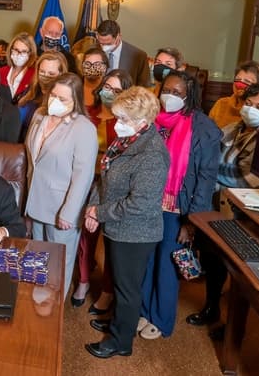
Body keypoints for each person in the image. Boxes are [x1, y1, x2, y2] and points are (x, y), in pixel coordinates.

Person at [186, 83, 259, 340]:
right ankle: (211, 307)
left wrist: (213, 174)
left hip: (245, 214)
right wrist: (215, 173)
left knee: (239, 273)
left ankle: (233, 326)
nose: (251, 110)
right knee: (212, 260)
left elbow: (247, 179)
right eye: (249, 104)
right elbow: (208, 160)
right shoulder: (231, 129)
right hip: (215, 206)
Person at [82, 86, 169, 359]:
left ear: (142, 122)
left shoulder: (152, 154)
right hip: (117, 226)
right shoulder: (127, 139)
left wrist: (99, 213)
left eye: (123, 119)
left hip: (136, 232)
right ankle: (120, 323)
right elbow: (105, 178)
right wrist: (93, 209)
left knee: (127, 289)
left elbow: (140, 204)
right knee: (120, 283)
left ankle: (120, 342)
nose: (117, 123)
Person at [138, 70, 221, 341]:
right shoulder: (153, 119)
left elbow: (206, 180)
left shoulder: (204, 129)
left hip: (178, 209)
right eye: (166, 90)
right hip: (148, 203)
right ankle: (143, 310)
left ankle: (161, 320)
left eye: (177, 93)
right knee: (146, 259)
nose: (169, 96)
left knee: (166, 264)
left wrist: (191, 222)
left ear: (189, 96)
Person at [24, 73, 98, 297]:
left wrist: (69, 212)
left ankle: (52, 308)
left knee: (58, 264)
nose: (55, 101)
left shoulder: (83, 128)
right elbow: (33, 161)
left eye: (63, 99)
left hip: (61, 208)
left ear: (76, 101)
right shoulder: (39, 115)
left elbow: (83, 176)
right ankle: (34, 304)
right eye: (53, 95)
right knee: (36, 258)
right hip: (35, 200)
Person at [73, 69, 133, 311]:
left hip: (112, 187)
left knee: (109, 242)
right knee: (85, 235)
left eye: (117, 90)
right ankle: (83, 280)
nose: (110, 93)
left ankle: (107, 290)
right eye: (107, 87)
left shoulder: (127, 123)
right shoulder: (87, 114)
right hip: (85, 181)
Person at [17, 52, 68, 134]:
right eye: (42, 72)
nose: (45, 76)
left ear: (61, 74)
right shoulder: (30, 91)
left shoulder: (62, 102)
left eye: (51, 73)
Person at [208, 60, 259, 129]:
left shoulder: (256, 112)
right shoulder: (221, 103)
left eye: (247, 81)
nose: (239, 84)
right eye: (237, 79)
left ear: (258, 87)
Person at [95, 20, 150, 87]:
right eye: (101, 43)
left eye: (108, 44)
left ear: (119, 36)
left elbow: (143, 86)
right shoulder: (94, 51)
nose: (103, 48)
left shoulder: (138, 56)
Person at [0, 32, 37, 103]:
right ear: (11, 50)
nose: (19, 54)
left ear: (30, 54)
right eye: (16, 50)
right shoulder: (1, 72)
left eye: (24, 51)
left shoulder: (34, 76)